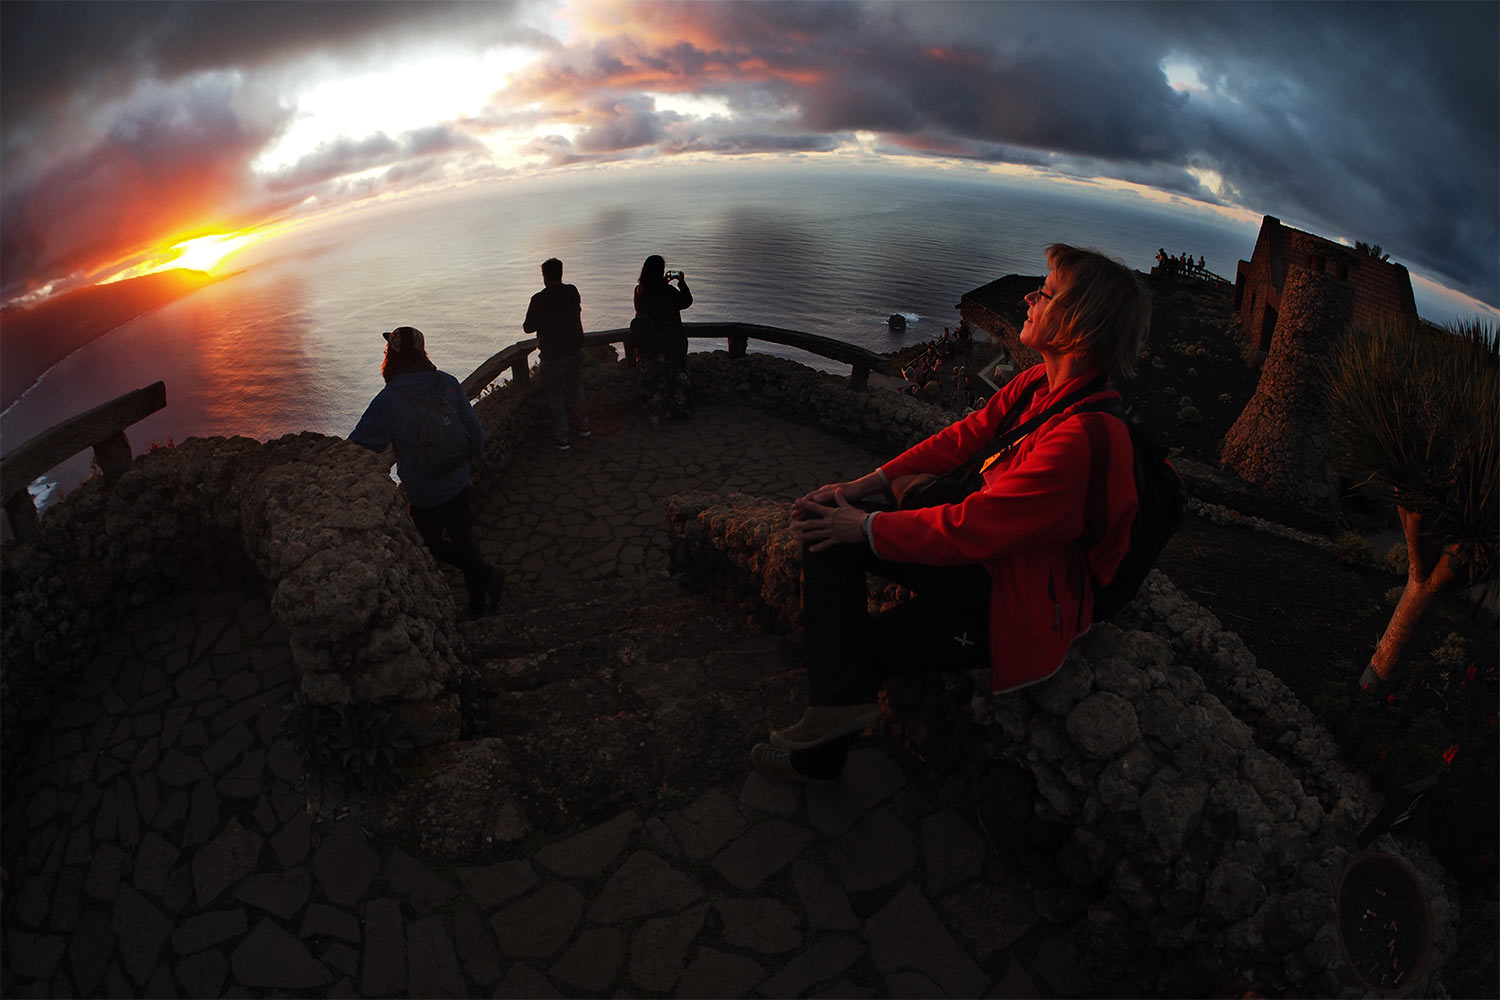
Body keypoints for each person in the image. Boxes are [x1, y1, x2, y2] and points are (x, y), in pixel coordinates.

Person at [751, 244, 1149, 784]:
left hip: (1017, 595)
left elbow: (976, 528)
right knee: (829, 520)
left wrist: (865, 526)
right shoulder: (1038, 385)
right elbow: (961, 438)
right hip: (987, 560)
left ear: (1079, 322)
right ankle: (832, 716)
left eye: (1046, 292)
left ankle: (822, 742)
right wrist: (864, 486)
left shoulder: (1082, 437)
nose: (1030, 297)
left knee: (864, 641)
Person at [350, 325, 503, 619]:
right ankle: (478, 603)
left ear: (390, 356)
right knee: (464, 540)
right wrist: (457, 463)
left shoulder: (389, 400)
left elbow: (361, 445)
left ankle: (485, 578)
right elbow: (477, 437)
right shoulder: (447, 383)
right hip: (458, 484)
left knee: (429, 544)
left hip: (424, 494)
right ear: (422, 352)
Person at [523, 257, 591, 451]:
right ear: (561, 273)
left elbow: (528, 327)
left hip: (553, 354)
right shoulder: (572, 291)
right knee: (576, 389)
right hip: (574, 349)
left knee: (555, 396)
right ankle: (583, 427)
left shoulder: (538, 299)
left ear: (544, 276)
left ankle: (563, 438)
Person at [632, 254, 694, 421]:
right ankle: (678, 412)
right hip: (670, 344)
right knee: (674, 380)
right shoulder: (668, 291)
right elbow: (686, 301)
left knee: (654, 382)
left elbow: (642, 309)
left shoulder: (639, 291)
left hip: (649, 346)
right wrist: (681, 281)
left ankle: (655, 413)